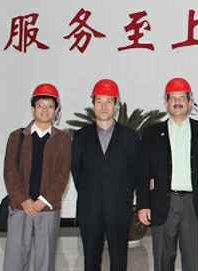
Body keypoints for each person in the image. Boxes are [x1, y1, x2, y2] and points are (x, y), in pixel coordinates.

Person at [137, 77, 198, 271]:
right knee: (163, 260)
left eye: (182, 98)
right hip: (163, 203)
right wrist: (143, 204)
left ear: (190, 102)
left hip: (194, 204)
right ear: (166, 102)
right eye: (172, 98)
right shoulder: (151, 133)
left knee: (192, 262)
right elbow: (143, 171)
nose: (177, 102)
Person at [71, 79, 140, 271]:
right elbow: (76, 171)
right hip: (89, 209)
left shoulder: (130, 137)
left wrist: (120, 194)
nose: (103, 106)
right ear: (93, 104)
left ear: (116, 105)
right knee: (91, 261)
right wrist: (93, 193)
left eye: (109, 101)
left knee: (119, 261)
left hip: (119, 209)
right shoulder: (81, 136)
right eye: (99, 101)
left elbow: (136, 172)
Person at [3, 83, 71, 271]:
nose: (45, 110)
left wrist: (42, 201)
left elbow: (62, 175)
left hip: (47, 209)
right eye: (40, 105)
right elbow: (10, 171)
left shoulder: (63, 140)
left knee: (45, 262)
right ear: (33, 109)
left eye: (50, 106)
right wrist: (24, 200)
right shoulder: (16, 137)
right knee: (15, 261)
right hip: (20, 208)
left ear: (56, 111)